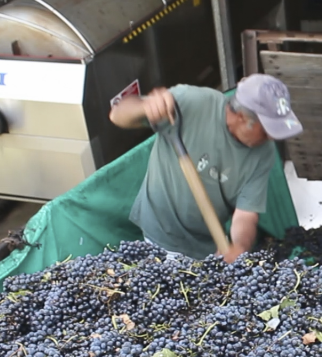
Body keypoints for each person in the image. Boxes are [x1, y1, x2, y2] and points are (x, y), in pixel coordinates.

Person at [109, 74, 303, 263]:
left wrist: (239, 247)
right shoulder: (191, 102)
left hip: (205, 247)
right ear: (243, 118)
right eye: (268, 130)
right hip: (159, 231)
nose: (272, 138)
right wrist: (144, 107)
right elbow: (117, 115)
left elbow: (246, 214)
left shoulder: (264, 154)